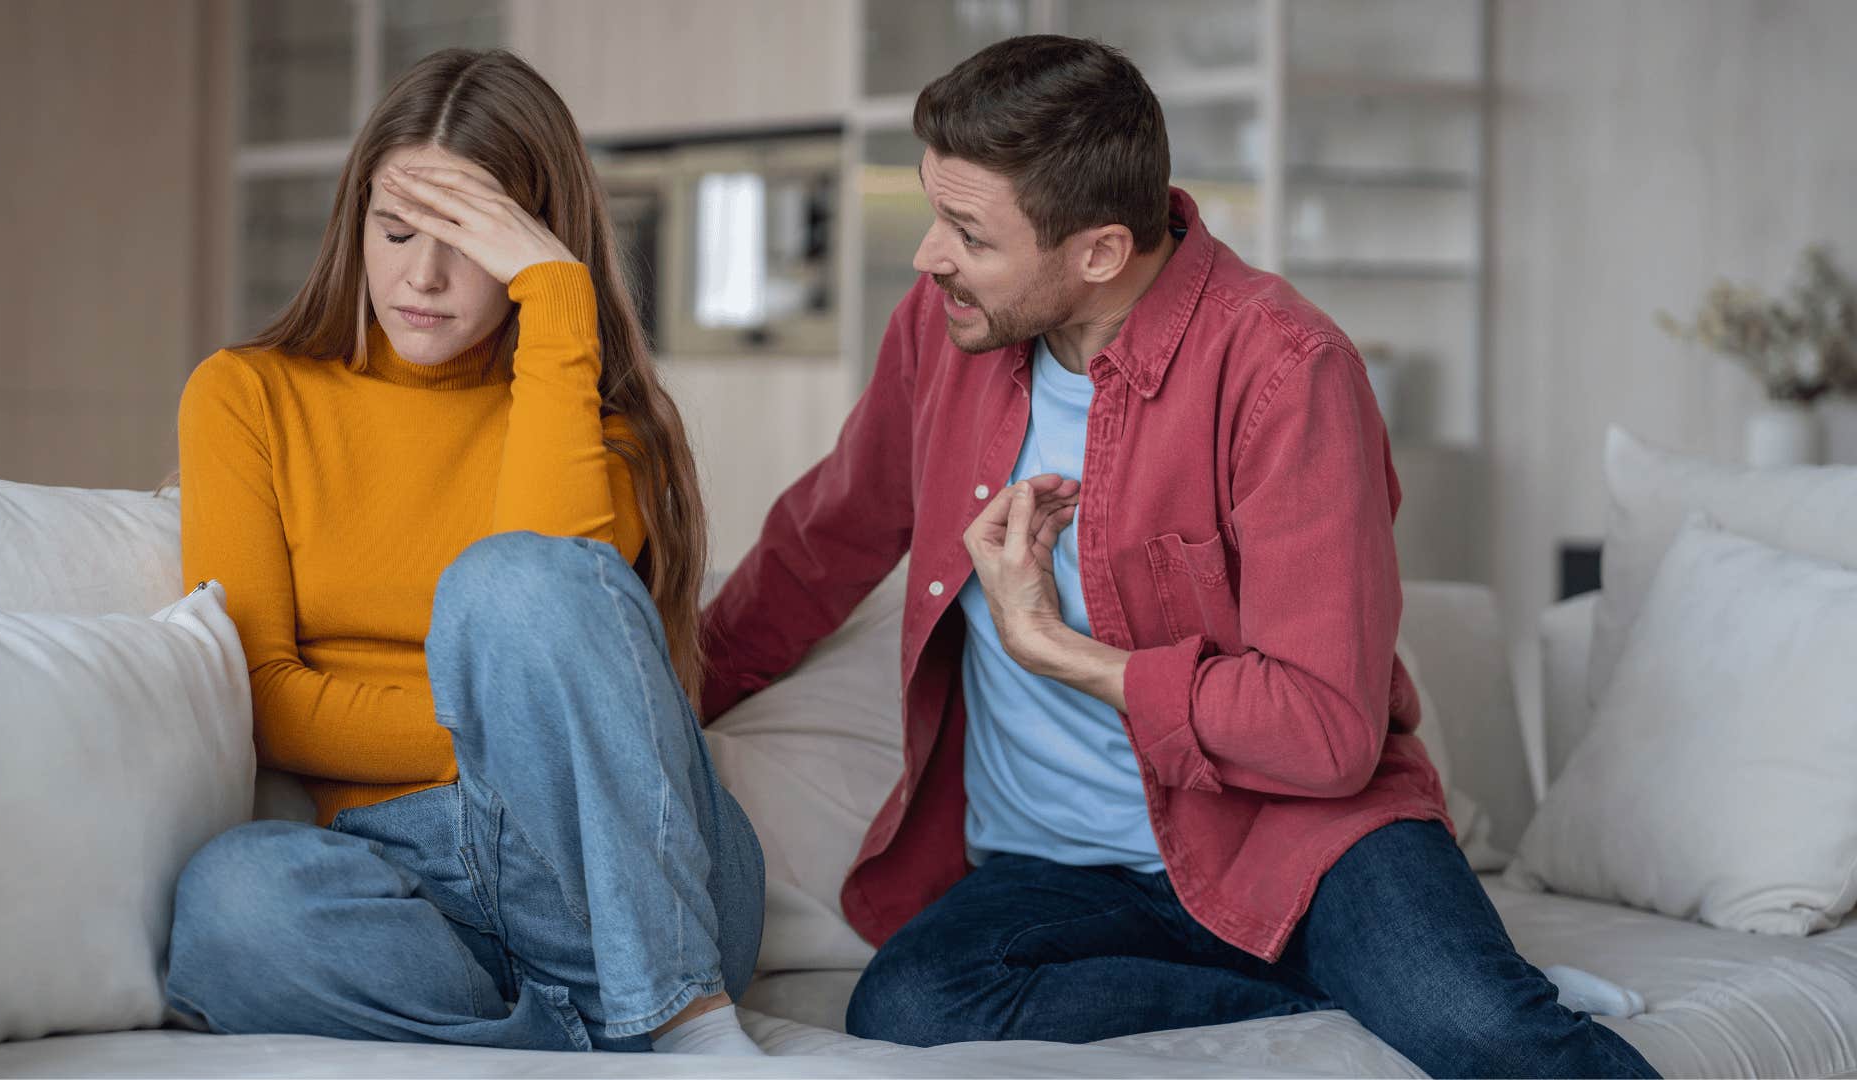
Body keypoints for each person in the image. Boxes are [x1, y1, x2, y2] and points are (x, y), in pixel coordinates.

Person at [698, 35, 1659, 1078]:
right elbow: (818, 546)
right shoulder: (943, 331)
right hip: (1055, 871)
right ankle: (1332, 989)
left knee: (1485, 1031)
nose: (930, 256)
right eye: (937, 215)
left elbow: (1330, 732)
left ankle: (1415, 982)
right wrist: (649, 695)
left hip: (1299, 843)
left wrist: (1054, 646)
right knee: (913, 1005)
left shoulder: (1288, 371)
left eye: (967, 233)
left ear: (1100, 251)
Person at [165, 48, 766, 1057]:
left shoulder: (590, 423)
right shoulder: (247, 397)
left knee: (514, 578)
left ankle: (682, 1015)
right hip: (409, 866)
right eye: (396, 231)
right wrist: (506, 728)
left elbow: (554, 601)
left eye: (472, 245)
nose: (423, 277)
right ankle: (589, 1037)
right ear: (354, 223)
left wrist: (560, 307)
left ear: (540, 254)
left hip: (628, 873)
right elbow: (266, 695)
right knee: (230, 900)